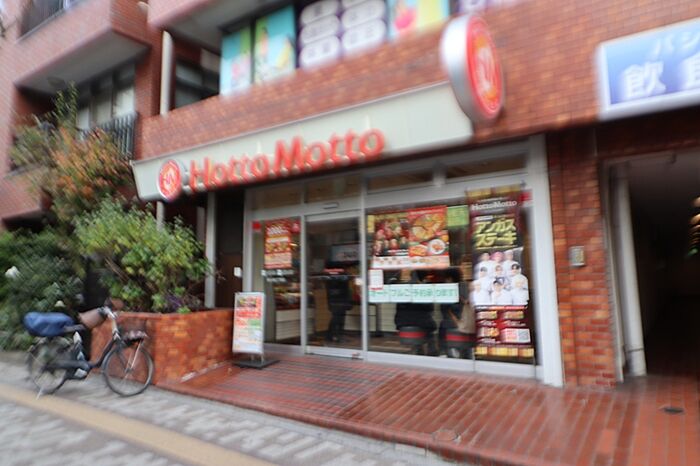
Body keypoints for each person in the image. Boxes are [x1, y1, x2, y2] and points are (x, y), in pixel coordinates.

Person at [394, 269, 438, 355]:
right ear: (424, 278)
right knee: (430, 330)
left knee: (424, 327)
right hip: (421, 323)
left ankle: (418, 350)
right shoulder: (424, 289)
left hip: (401, 323)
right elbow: (430, 308)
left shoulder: (403, 287)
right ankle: (432, 353)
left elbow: (398, 307)